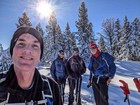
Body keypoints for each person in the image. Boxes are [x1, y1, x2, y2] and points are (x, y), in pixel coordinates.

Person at [0, 27, 62, 105]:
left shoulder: (52, 87)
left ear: (40, 55)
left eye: (35, 45)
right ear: (12, 51)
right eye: (21, 44)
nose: (27, 50)